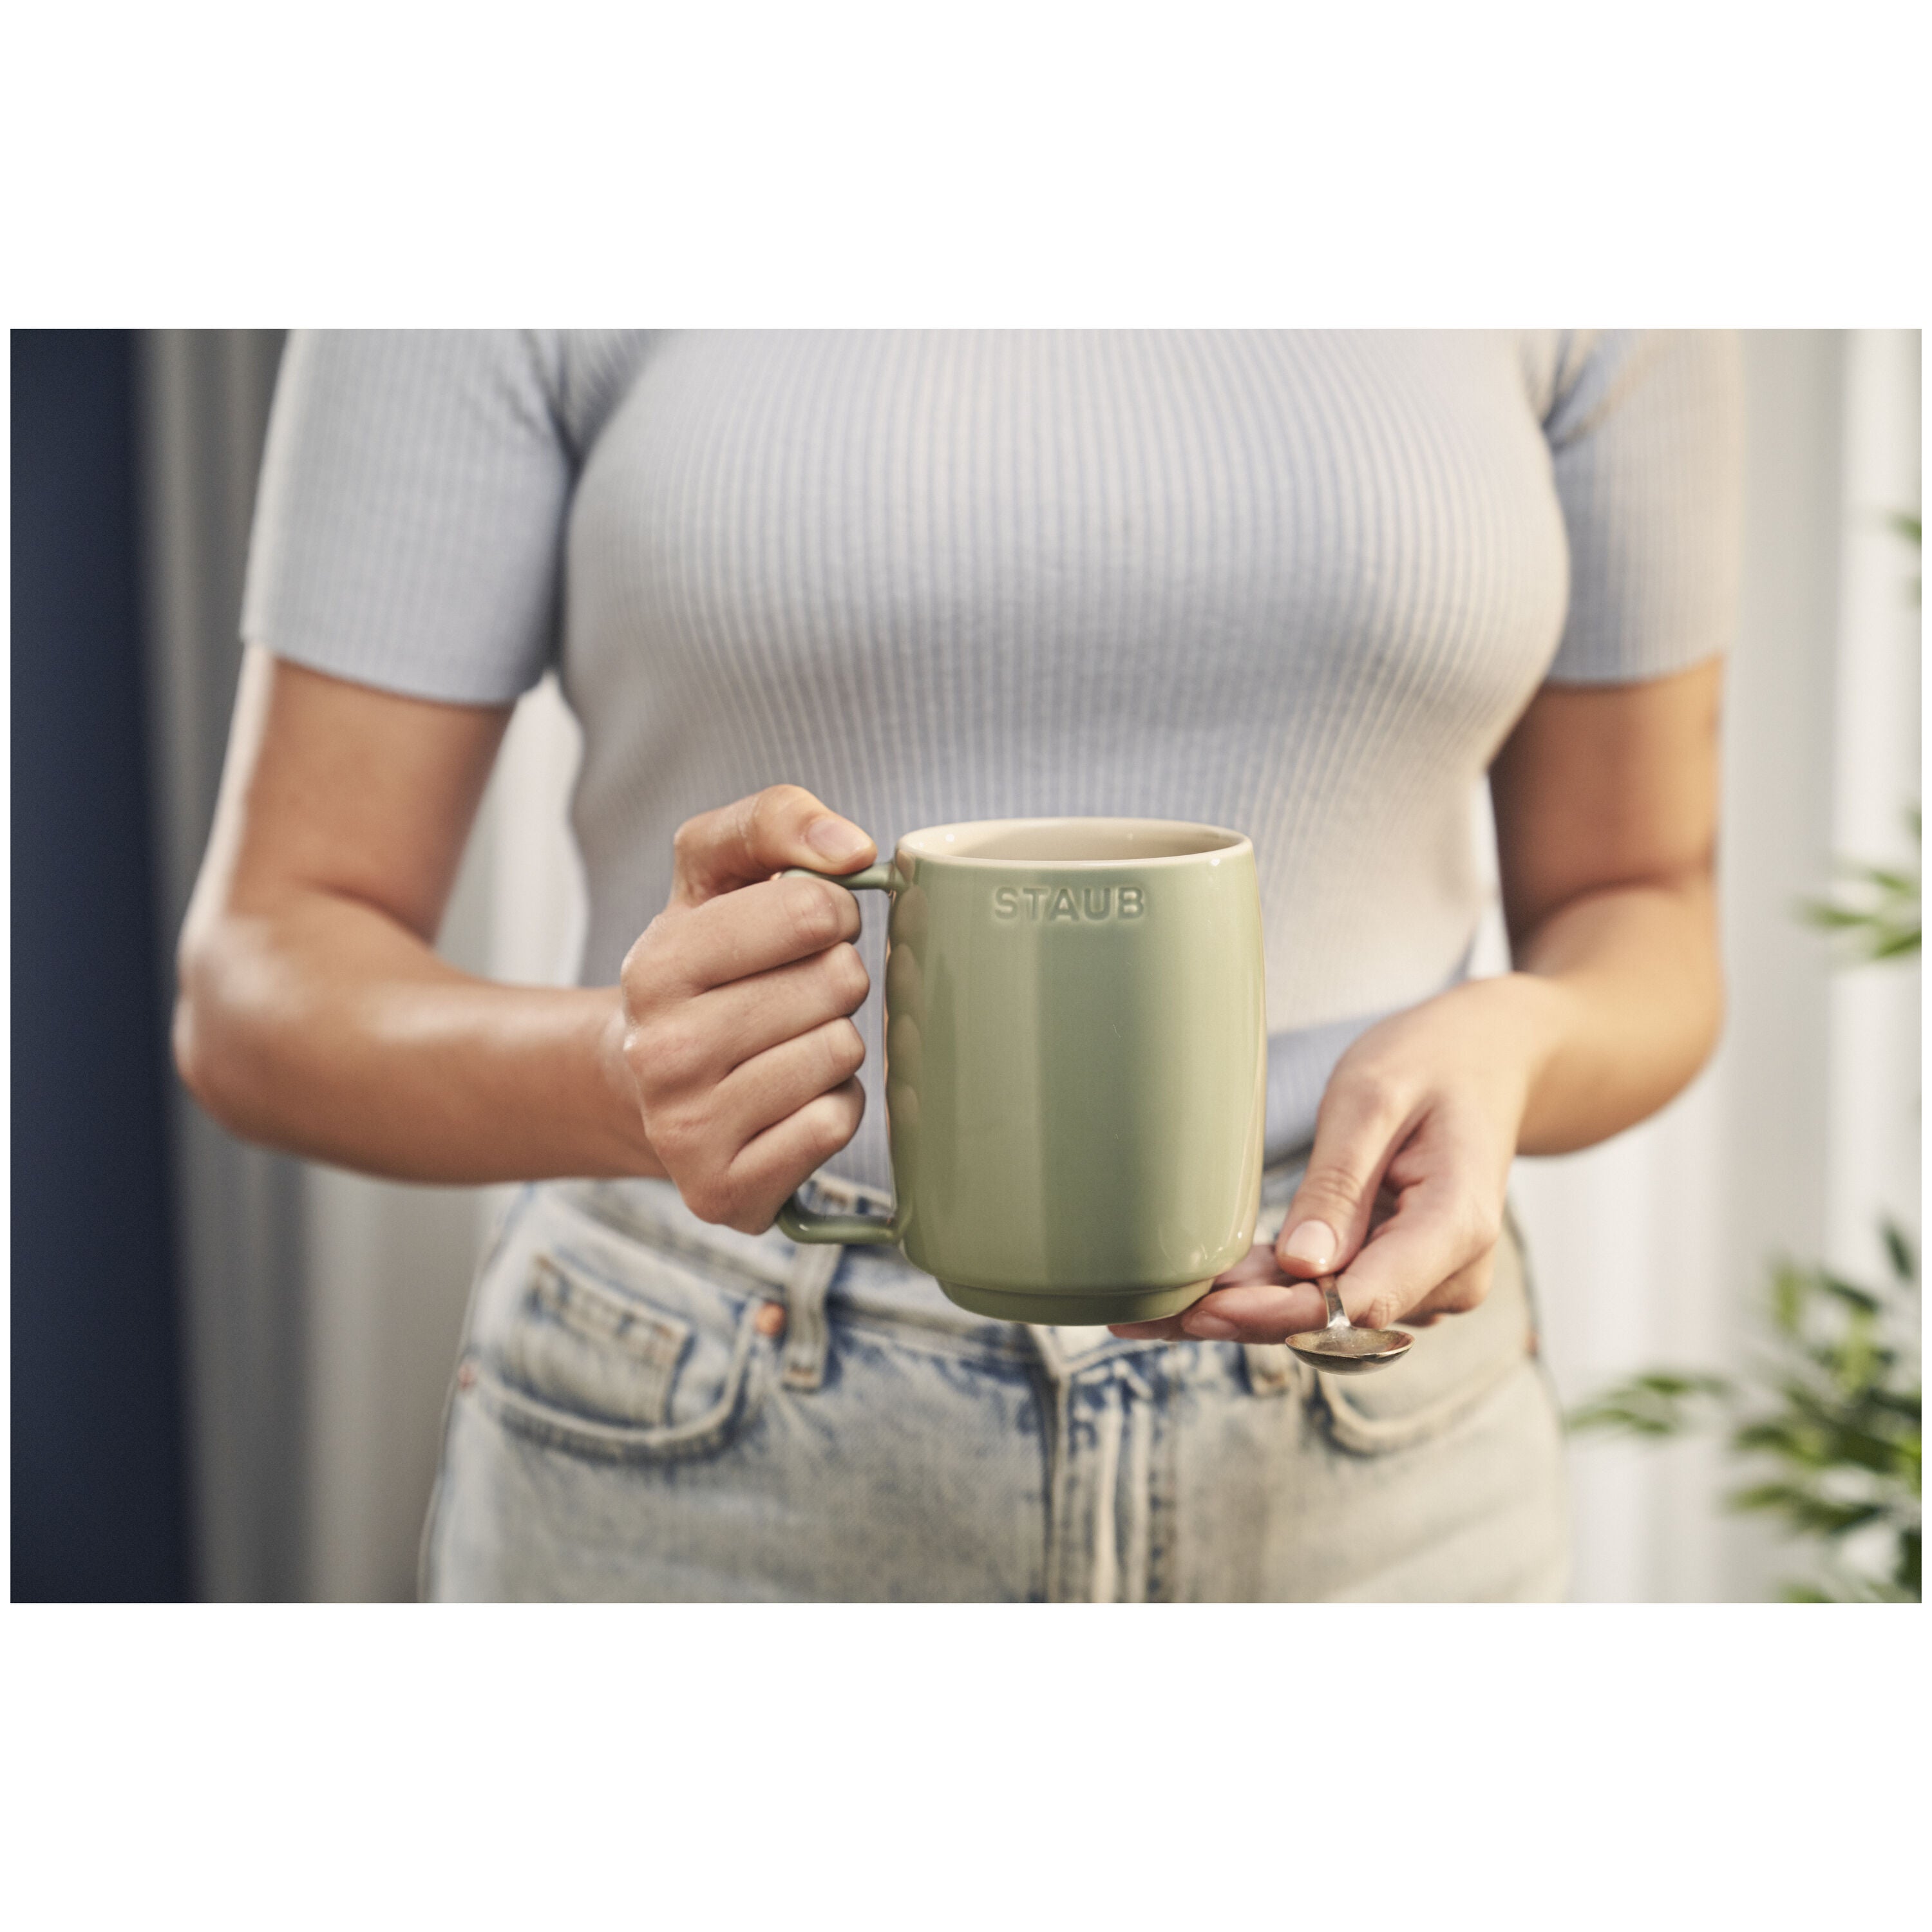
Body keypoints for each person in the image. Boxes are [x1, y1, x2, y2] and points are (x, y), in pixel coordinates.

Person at [175, 331, 1740, 1600]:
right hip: (692, 1465)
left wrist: (1508, 1045)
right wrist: (617, 1080)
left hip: (1381, 1468)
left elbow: (1642, 899)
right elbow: (258, 981)